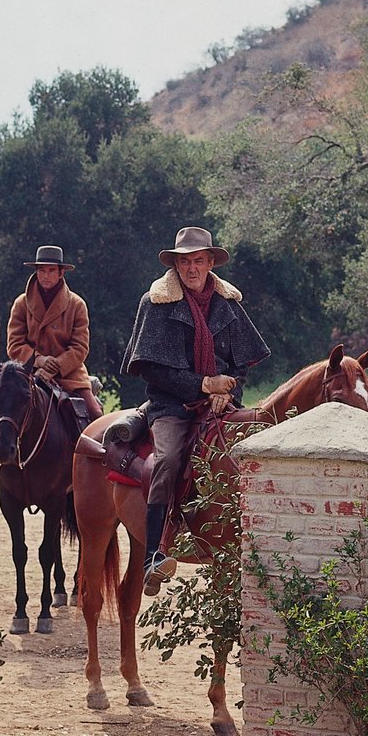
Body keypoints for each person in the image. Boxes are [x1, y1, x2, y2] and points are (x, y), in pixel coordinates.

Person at [113, 225, 269, 594]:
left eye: (199, 260)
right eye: (185, 262)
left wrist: (226, 389)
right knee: (166, 460)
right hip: (171, 404)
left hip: (222, 404)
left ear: (211, 262)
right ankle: (154, 553)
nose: (192, 269)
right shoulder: (155, 302)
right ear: (176, 265)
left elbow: (241, 363)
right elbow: (150, 368)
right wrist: (201, 384)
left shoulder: (228, 303)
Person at [0, 244, 103, 497]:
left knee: (95, 412)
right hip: (28, 372)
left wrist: (56, 365)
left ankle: (95, 476)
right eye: (42, 270)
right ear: (36, 272)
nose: (46, 275)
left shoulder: (76, 305)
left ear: (61, 273)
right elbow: (14, 343)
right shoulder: (21, 303)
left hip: (69, 373)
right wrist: (38, 361)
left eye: (51, 270)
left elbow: (80, 347)